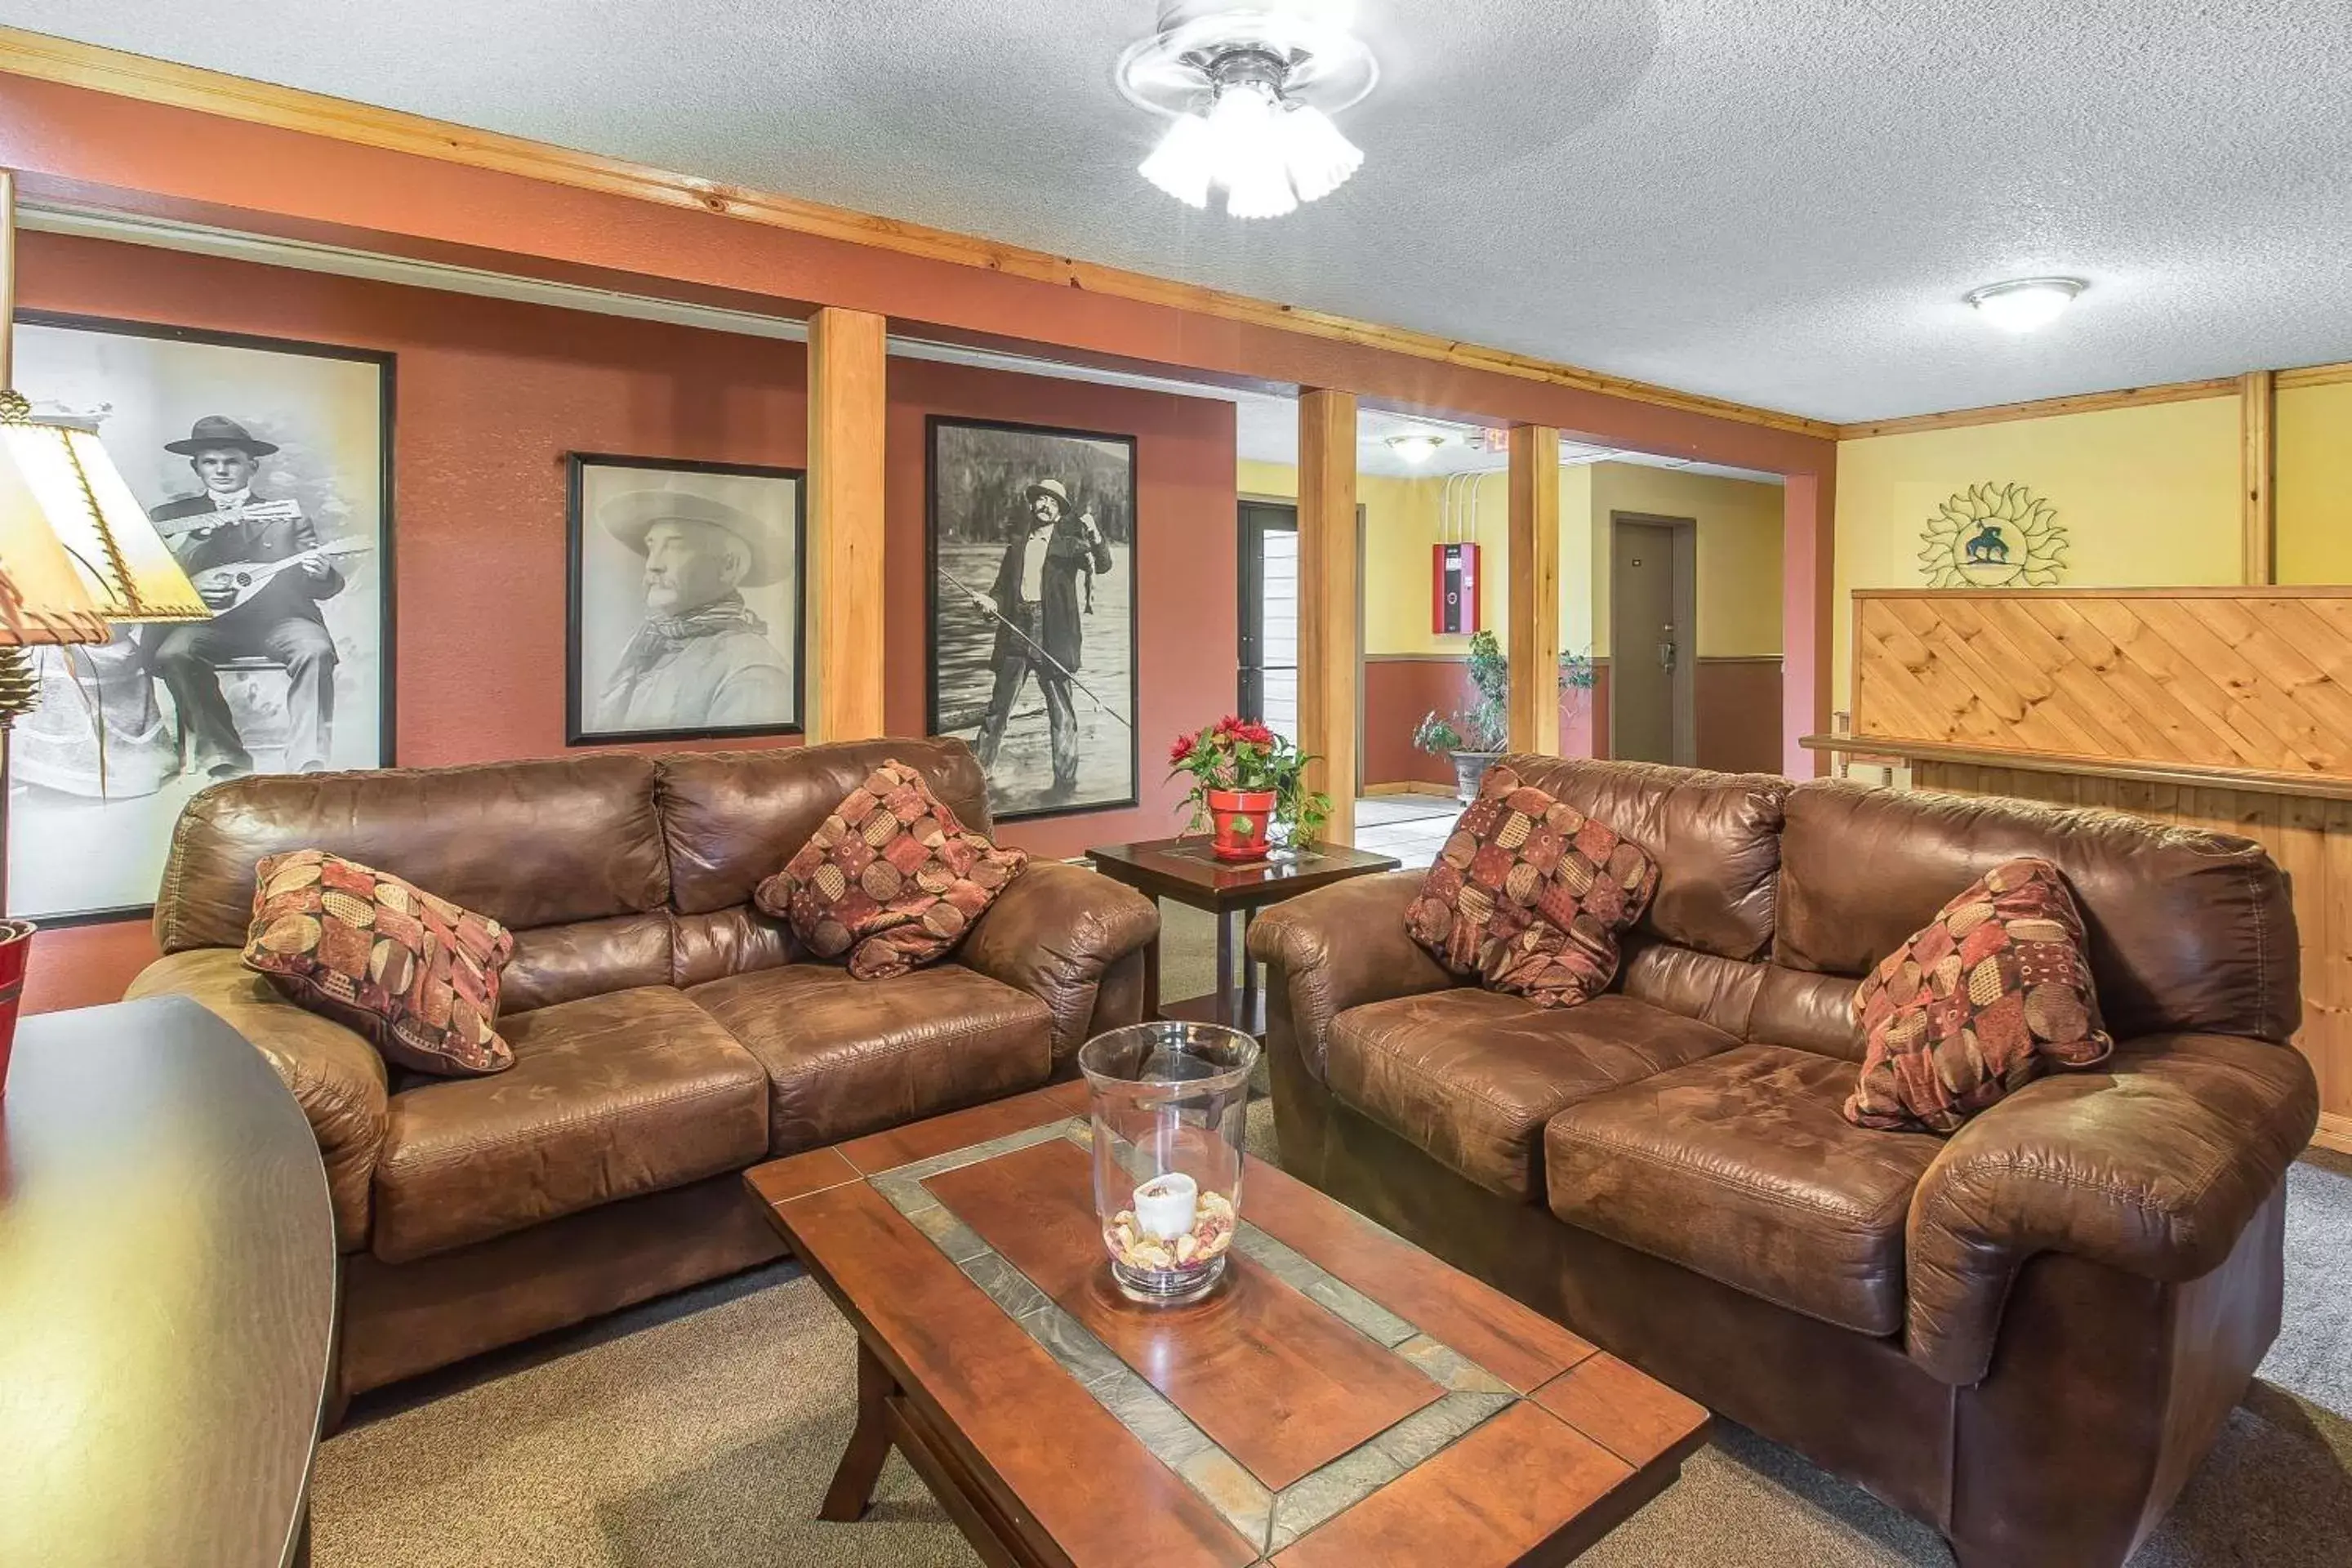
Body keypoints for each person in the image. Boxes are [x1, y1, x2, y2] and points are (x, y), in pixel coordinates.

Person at [145, 416, 345, 777]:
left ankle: (308, 762)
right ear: (197, 467)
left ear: (251, 467)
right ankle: (223, 757)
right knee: (175, 652)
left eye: (232, 461)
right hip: (207, 622)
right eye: (210, 462)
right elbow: (153, 580)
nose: (221, 470)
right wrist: (192, 586)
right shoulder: (169, 517)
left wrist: (322, 573)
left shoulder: (286, 515)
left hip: (279, 620)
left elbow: (318, 585)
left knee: (315, 649)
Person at [594, 489, 795, 733]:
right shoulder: (646, 645)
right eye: (651, 546)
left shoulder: (753, 673)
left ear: (729, 566)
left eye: (675, 546)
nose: (653, 564)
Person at [972, 477, 1113, 796]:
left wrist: (1093, 532)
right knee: (998, 712)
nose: (1045, 505)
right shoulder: (1016, 546)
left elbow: (1103, 565)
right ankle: (980, 783)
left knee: (1062, 714)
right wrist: (990, 602)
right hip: (1015, 631)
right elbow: (1000, 589)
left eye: (1053, 501)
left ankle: (1065, 787)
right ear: (1032, 505)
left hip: (1055, 637)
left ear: (1060, 511)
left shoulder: (1072, 546)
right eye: (1041, 499)